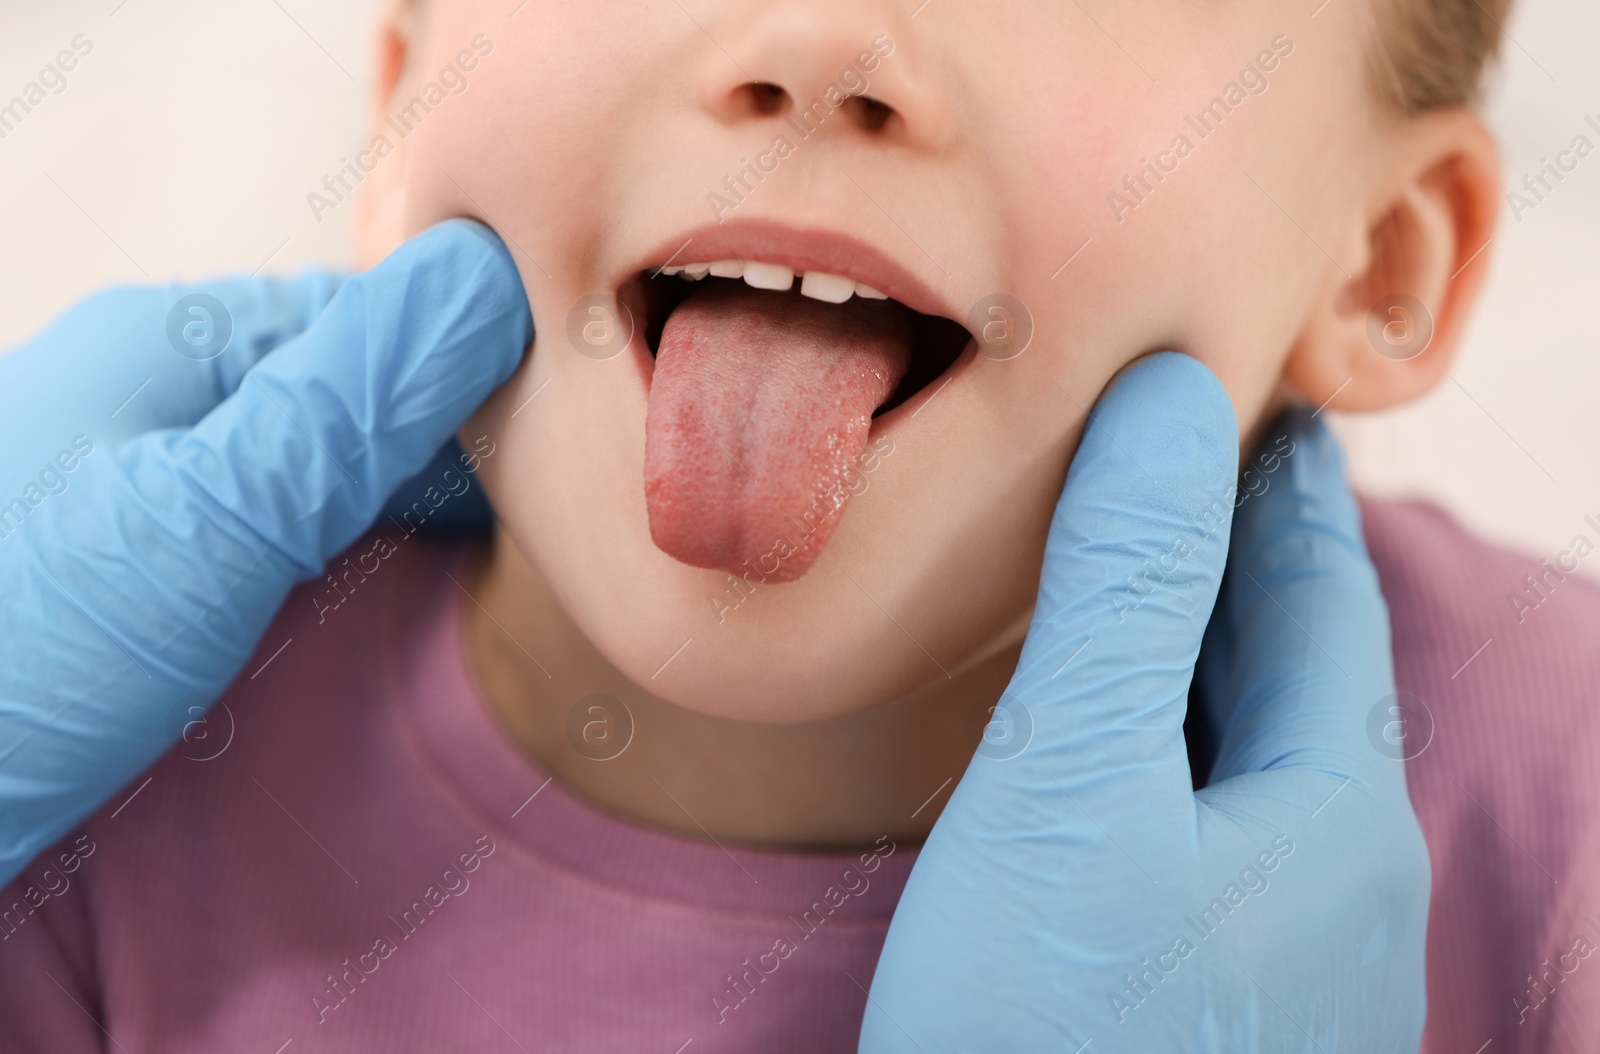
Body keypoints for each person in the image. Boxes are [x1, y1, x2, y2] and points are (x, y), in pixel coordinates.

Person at [3, 0, 1596, 1050]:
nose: (820, 42)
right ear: (409, 90)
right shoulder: (93, 812)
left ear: (1381, 258)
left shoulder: (1560, 800)